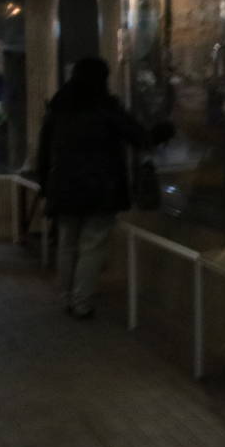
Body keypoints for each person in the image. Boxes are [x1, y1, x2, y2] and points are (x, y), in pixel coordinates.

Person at [37, 57, 172, 318]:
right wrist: (163, 131)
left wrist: (46, 185)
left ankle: (66, 297)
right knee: (92, 245)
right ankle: (81, 302)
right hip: (100, 190)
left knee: (67, 242)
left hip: (63, 188)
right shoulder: (106, 108)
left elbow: (44, 152)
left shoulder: (59, 107)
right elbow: (139, 137)